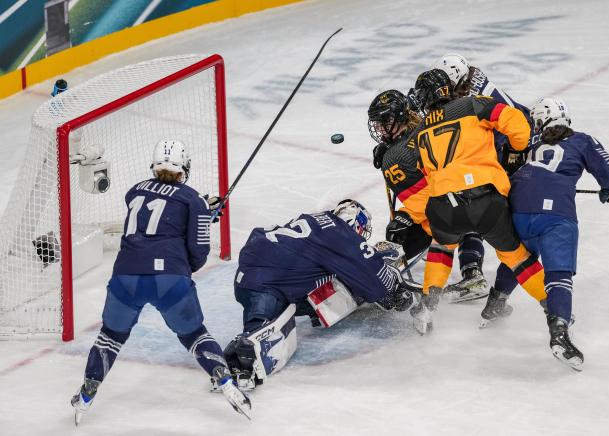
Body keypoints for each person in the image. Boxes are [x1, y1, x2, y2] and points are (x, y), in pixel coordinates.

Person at [70, 140, 251, 424]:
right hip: (169, 279)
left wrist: (202, 212)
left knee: (110, 338)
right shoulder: (193, 200)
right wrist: (203, 217)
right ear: (184, 167)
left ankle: (87, 392)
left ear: (154, 166)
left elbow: (158, 213)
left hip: (125, 276)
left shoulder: (135, 191)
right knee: (194, 335)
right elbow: (198, 253)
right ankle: (227, 384)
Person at [487, 98, 609, 370]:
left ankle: (495, 304)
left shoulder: (528, 143)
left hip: (517, 211)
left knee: (519, 258)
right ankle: (559, 331)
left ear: (539, 122)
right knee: (558, 274)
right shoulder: (582, 140)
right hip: (555, 217)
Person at [405, 69, 547, 332]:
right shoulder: (472, 104)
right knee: (517, 257)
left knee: (441, 248)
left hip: (443, 206)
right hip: (485, 200)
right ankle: (554, 310)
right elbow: (518, 125)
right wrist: (515, 153)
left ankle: (428, 305)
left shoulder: (419, 131)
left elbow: (424, 173)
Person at [223, 200, 422, 388]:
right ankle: (246, 354)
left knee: (273, 310)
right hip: (271, 280)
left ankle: (248, 340)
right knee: (345, 284)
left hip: (249, 273)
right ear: (356, 223)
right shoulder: (342, 234)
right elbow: (375, 279)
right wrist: (399, 292)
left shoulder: (318, 221)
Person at [369, 90, 489, 304]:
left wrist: (406, 216)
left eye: (382, 121)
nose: (378, 128)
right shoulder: (422, 128)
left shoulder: (402, 154)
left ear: (397, 119)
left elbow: (434, 191)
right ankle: (471, 273)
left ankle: (471, 274)